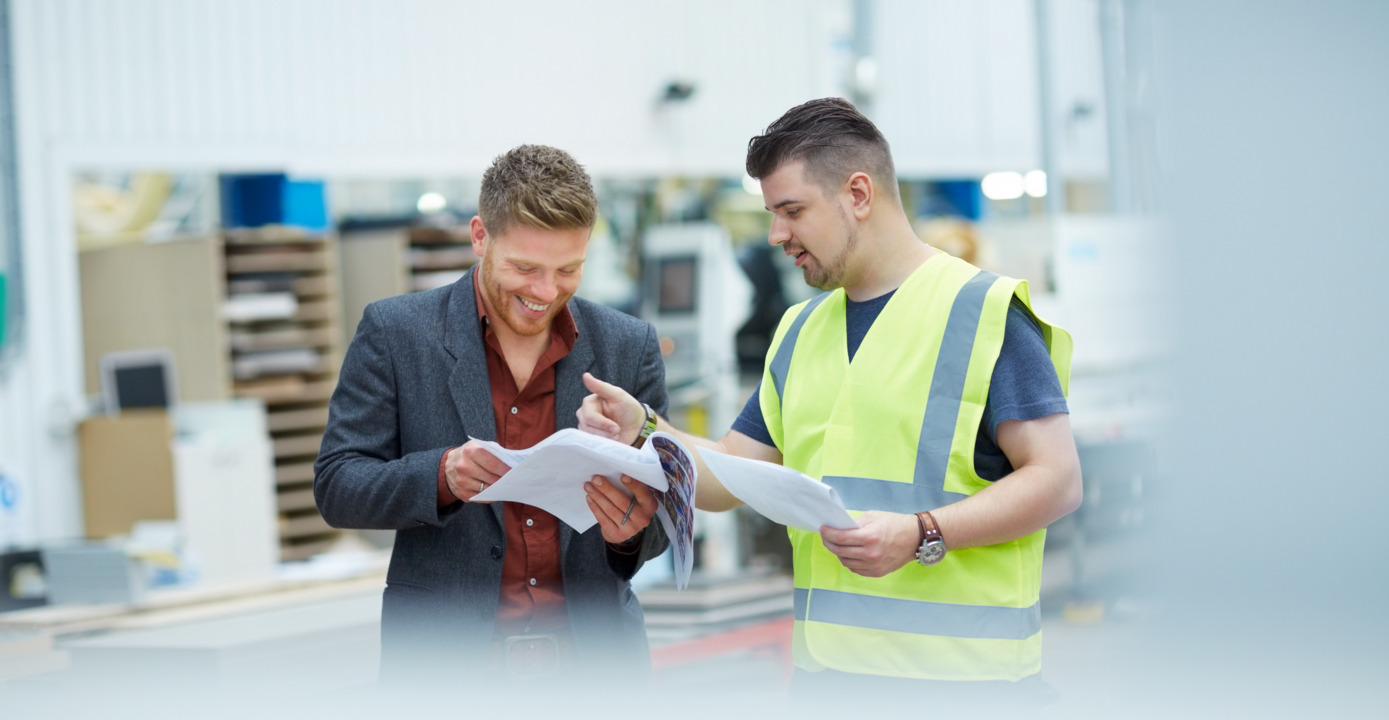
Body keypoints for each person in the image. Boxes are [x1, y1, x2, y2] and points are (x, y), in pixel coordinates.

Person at [577, 98, 1081, 705]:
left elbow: (1057, 479)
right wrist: (644, 430)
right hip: (829, 686)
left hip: (966, 686)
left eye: (792, 210)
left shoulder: (984, 313)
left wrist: (923, 532)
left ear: (859, 195)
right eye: (772, 213)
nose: (776, 235)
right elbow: (728, 478)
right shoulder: (799, 331)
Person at [314, 144, 669, 690]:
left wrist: (628, 532)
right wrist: (440, 476)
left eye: (568, 269)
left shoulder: (628, 346)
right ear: (480, 236)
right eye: (525, 268)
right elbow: (337, 484)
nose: (546, 292)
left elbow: (663, 524)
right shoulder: (396, 334)